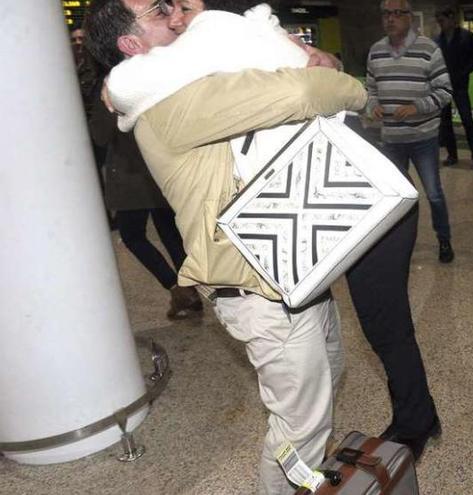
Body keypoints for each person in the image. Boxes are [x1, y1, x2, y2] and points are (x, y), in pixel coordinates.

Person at [84, 1, 365, 493]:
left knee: (315, 403)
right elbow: (307, 88)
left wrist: (309, 54)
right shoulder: (171, 103)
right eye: (157, 12)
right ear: (131, 45)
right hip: (260, 289)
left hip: (290, 270)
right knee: (299, 427)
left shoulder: (181, 80)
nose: (175, 18)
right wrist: (344, 79)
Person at [89, 99, 202, 320]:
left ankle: (177, 289)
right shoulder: (153, 74)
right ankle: (190, 288)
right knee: (170, 232)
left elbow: (100, 135)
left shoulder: (112, 89)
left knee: (132, 236)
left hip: (130, 173)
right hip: (161, 167)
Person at [367, 0, 456, 264]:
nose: (390, 19)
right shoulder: (376, 51)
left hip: (423, 137)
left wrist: (417, 107)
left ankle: (444, 239)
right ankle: (398, 243)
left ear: (409, 18)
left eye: (397, 13)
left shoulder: (428, 49)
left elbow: (445, 91)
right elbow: (371, 89)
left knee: (434, 193)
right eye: (386, 14)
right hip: (391, 139)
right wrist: (373, 106)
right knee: (397, 196)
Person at [435, 6, 473, 170]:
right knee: (446, 123)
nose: (440, 24)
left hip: (460, 85)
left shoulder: (466, 37)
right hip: (444, 86)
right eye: (438, 21)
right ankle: (452, 155)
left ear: (451, 20)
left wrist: (462, 73)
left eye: (442, 20)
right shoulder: (438, 40)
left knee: (467, 121)